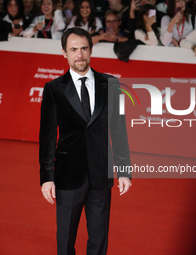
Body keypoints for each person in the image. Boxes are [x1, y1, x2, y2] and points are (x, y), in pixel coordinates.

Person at [39, 27, 132, 255]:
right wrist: (46, 177)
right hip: (68, 176)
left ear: (91, 50)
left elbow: (119, 131)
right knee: (66, 239)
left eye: (83, 49)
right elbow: (47, 136)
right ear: (64, 53)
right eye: (73, 50)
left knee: (99, 239)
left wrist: (124, 171)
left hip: (101, 175)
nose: (79, 55)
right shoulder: (53, 89)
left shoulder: (111, 84)